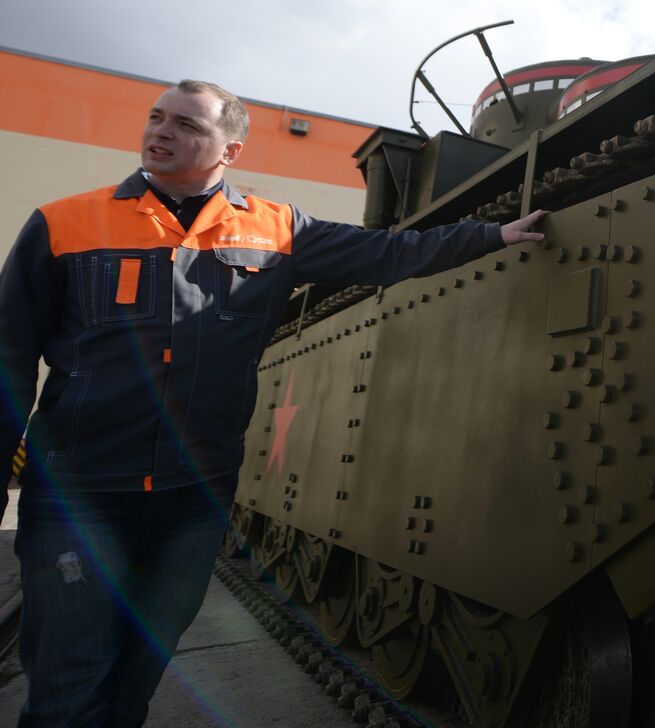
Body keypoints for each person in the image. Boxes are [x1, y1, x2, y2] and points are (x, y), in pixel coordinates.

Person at [0, 79, 547, 726]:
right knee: (69, 682)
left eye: (187, 124)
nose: (162, 131)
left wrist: (490, 236)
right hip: (78, 494)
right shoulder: (65, 224)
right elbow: (8, 359)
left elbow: (389, 253)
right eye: (157, 117)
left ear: (228, 150)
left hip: (191, 499)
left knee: (136, 673)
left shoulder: (276, 229)